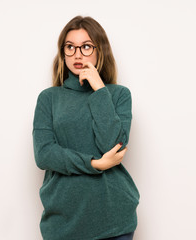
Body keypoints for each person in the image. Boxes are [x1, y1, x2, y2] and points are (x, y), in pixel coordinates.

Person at [32, 15, 140, 240]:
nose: (77, 54)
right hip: (63, 223)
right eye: (70, 47)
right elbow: (44, 155)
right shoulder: (49, 99)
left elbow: (112, 145)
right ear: (63, 52)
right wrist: (94, 164)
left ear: (100, 50)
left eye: (86, 46)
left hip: (114, 220)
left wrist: (100, 89)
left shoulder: (118, 95)